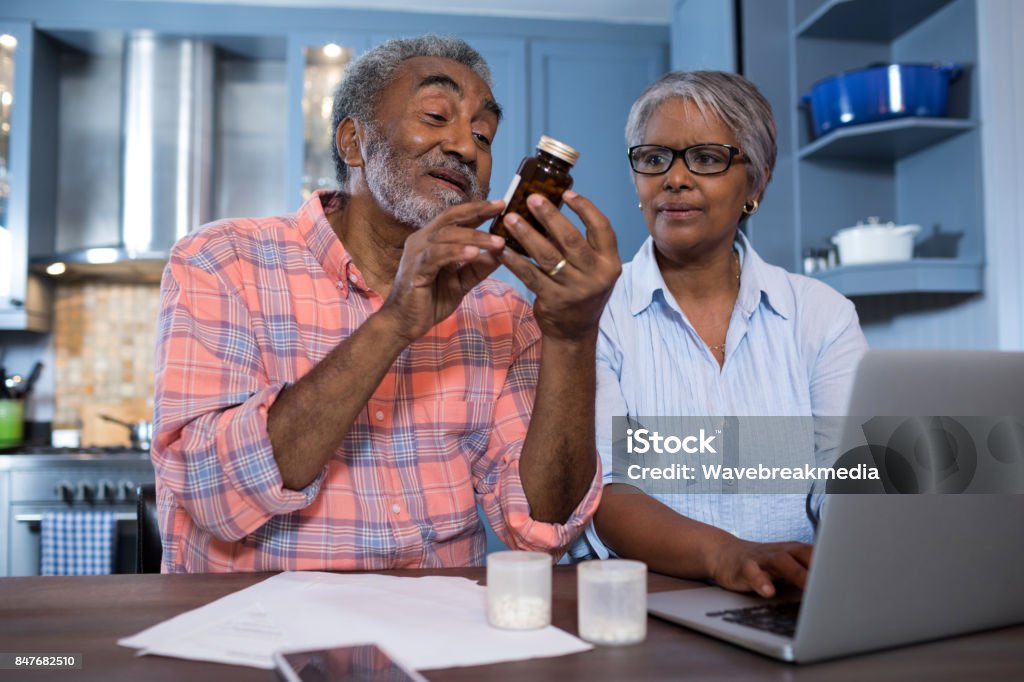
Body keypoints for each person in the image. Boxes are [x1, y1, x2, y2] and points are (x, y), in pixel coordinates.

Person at [152, 35, 621, 573]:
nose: (466, 147)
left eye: (483, 134)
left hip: (436, 635)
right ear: (353, 142)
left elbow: (544, 527)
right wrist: (395, 322)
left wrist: (571, 335)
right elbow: (211, 495)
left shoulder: (500, 312)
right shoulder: (223, 260)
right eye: (437, 114)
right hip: (258, 632)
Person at [573, 71, 868, 597]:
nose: (675, 178)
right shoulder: (595, 311)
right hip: (640, 601)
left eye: (707, 159)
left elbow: (846, 474)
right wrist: (725, 555)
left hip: (790, 595)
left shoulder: (821, 314)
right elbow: (602, 491)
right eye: (654, 157)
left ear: (756, 181)